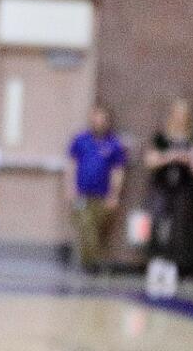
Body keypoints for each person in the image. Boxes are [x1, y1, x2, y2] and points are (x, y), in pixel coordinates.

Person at [143, 99, 193, 277]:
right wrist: (169, 157)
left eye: (184, 115)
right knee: (157, 220)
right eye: (177, 114)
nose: (180, 118)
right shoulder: (162, 138)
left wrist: (186, 158)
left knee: (180, 225)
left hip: (183, 187)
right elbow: (150, 161)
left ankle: (174, 262)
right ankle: (154, 259)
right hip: (162, 186)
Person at [67, 105, 126, 273]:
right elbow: (72, 164)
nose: (98, 121)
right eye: (96, 116)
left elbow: (118, 171)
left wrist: (114, 195)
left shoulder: (114, 144)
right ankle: (91, 264)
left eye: (102, 117)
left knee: (99, 231)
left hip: (103, 195)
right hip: (82, 194)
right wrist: (70, 187)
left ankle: (93, 263)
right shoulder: (80, 140)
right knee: (86, 228)